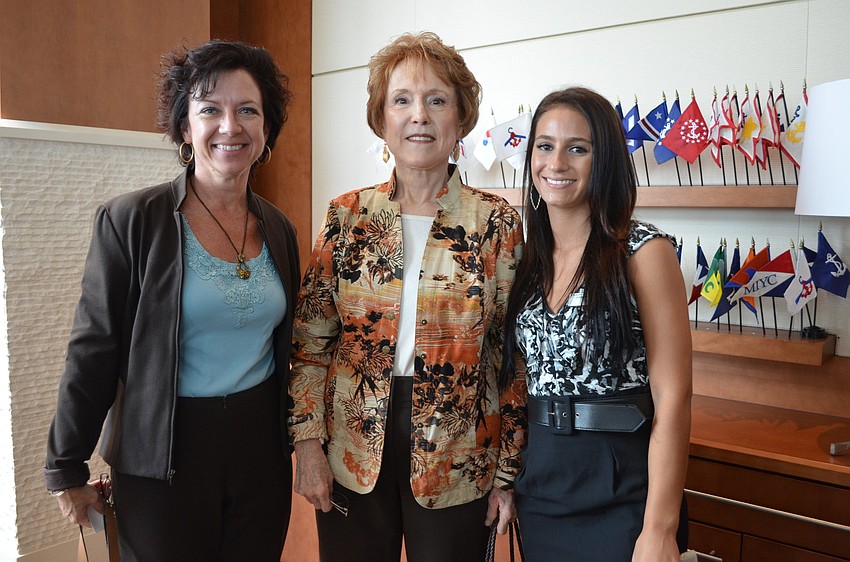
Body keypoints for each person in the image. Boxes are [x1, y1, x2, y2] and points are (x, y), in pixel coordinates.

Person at [44, 40, 300, 562]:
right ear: (186, 128)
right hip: (163, 454)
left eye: (247, 110)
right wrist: (65, 467)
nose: (230, 126)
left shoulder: (280, 229)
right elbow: (93, 350)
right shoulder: (132, 221)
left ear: (266, 129)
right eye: (210, 110)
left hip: (260, 454)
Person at [288, 32, 526, 562]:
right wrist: (306, 442)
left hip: (459, 452)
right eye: (402, 100)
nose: (419, 115)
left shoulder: (497, 225)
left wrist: (508, 472)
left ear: (460, 119)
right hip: (354, 442)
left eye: (437, 100)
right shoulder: (347, 216)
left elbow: (513, 356)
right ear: (382, 120)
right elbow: (310, 343)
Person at [501, 87, 692, 562]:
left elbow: (675, 396)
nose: (557, 162)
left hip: (622, 488)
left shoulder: (644, 251)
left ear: (603, 158)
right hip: (543, 483)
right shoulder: (527, 259)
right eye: (544, 146)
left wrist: (659, 530)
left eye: (577, 148)